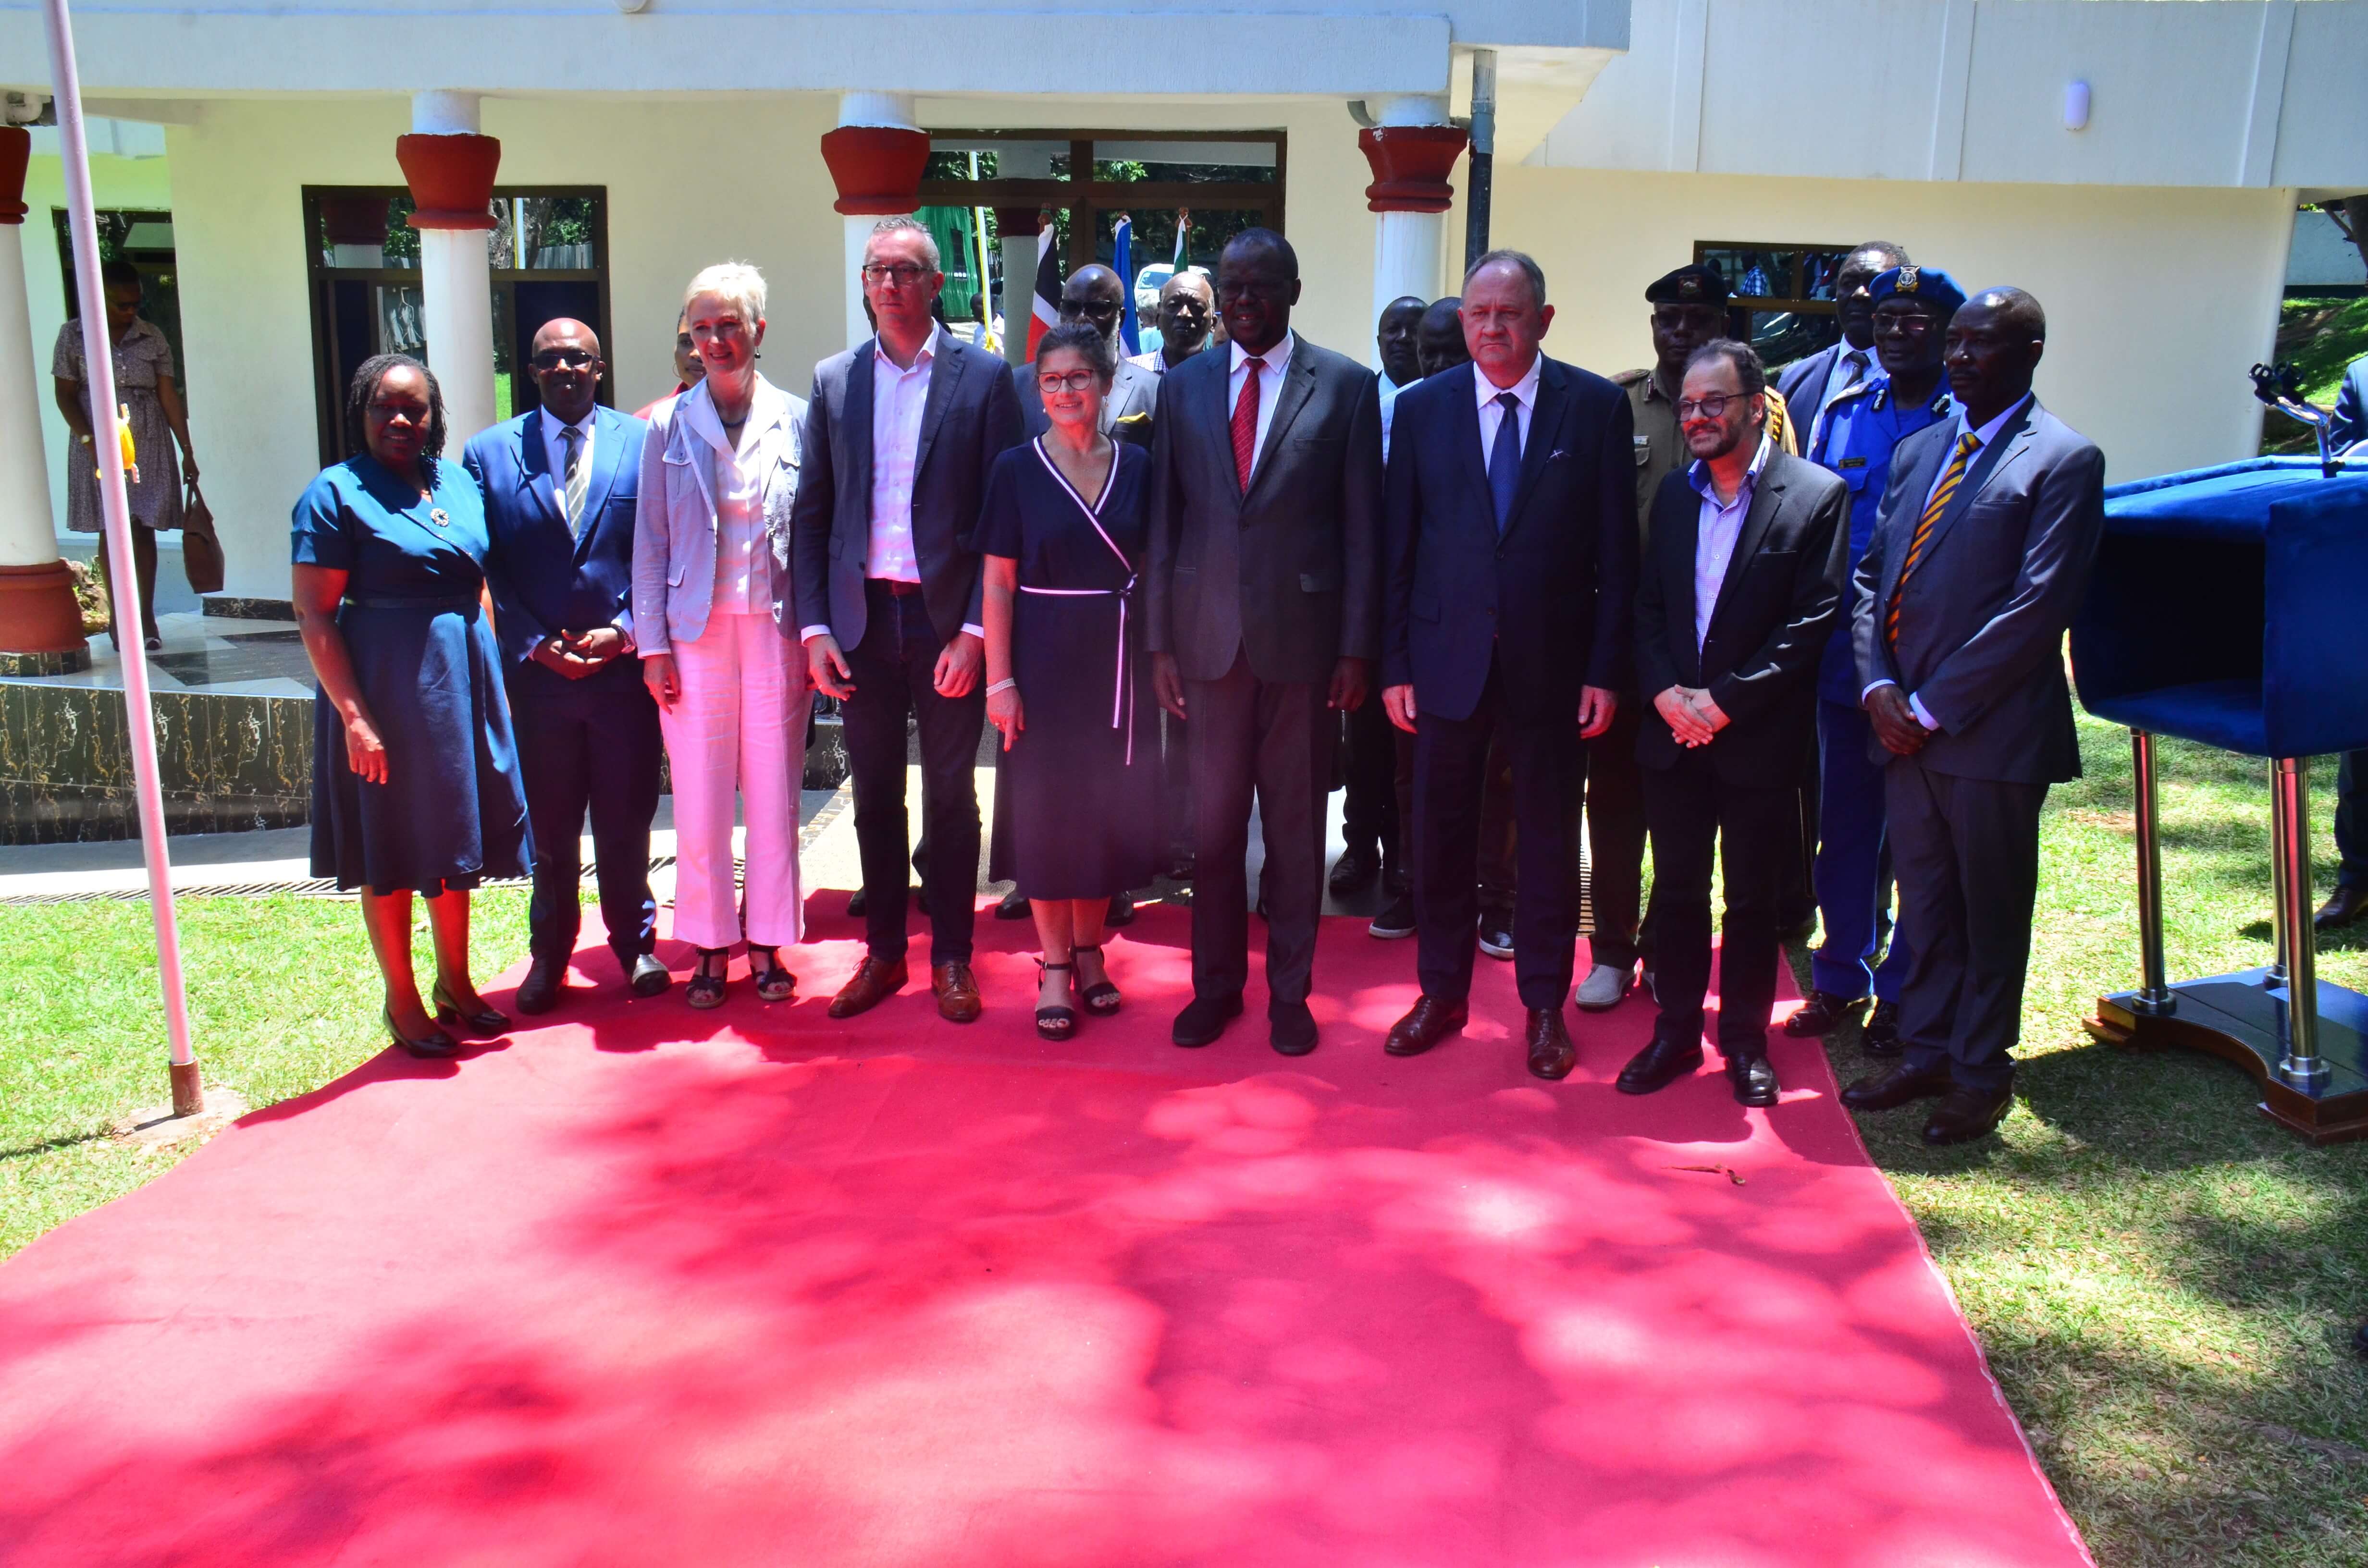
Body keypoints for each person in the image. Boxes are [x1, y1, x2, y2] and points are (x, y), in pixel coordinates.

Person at [1840, 287, 2105, 1145]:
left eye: (1978, 345)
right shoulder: (1921, 450)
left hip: (1987, 737)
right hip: (1901, 732)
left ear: (2028, 350)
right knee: (1924, 903)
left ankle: (1980, 1070)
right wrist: (1877, 688)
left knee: (1988, 908)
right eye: (1953, 343)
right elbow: (1869, 580)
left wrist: (1929, 703)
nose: (1956, 358)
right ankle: (1924, 1048)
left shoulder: (2062, 459)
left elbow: (2037, 607)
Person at [1379, 251, 1636, 1080]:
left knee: (1550, 842)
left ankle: (1542, 1008)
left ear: (1543, 319)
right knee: (1441, 833)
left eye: (1509, 314)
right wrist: (1394, 663)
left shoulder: (1592, 407)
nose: (1491, 328)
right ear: (1462, 322)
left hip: (1552, 668)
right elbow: (1399, 547)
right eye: (1478, 314)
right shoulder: (1422, 410)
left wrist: (1603, 666)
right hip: (1444, 661)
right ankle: (1440, 992)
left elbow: (1614, 554)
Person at [1146, 227, 1383, 1057]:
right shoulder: (1186, 387)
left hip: (1305, 651)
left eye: (1260, 287)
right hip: (1206, 648)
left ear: (1292, 290)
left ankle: (1290, 992)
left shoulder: (1347, 387)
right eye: (1232, 287)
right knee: (1211, 830)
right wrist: (1159, 646)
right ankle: (1215, 987)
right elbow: (1165, 523)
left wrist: (1357, 648)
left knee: (1291, 832)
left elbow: (1363, 529)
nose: (1244, 300)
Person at [793, 217, 1024, 1024]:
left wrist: (973, 631)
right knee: (874, 796)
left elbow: (1003, 515)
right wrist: (814, 627)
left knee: (952, 796)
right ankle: (886, 952)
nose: (887, 283)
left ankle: (954, 957)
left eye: (904, 270)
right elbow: (813, 513)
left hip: (942, 624)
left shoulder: (984, 378)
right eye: (875, 270)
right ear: (864, 285)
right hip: (861, 622)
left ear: (935, 284)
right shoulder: (834, 380)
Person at [1614, 340, 1850, 1105]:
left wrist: (1725, 702)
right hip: (1674, 734)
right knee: (1677, 889)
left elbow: (1812, 622)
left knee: (1751, 899)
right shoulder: (1677, 497)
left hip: (1756, 738)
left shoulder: (1816, 496)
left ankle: (1744, 1042)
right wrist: (1665, 696)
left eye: (1713, 403)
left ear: (1755, 405)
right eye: (1687, 404)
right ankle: (1677, 1033)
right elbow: (1648, 606)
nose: (1697, 417)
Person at [291, 354, 529, 1058]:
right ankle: (402, 997)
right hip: (385, 683)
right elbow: (314, 613)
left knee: (456, 837)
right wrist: (355, 718)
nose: (400, 420)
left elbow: (477, 577)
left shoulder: (454, 480)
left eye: (415, 408)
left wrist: (491, 678)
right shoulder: (333, 494)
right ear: (361, 412)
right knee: (391, 842)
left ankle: (456, 979)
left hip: (459, 680)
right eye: (384, 407)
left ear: (435, 416)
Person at [1591, 263, 1798, 1011]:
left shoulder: (1763, 412)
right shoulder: (1616, 405)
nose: (1680, 333)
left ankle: (1663, 951)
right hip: (1633, 649)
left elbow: (1781, 515)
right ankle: (1611, 949)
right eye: (1668, 322)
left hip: (1720, 656)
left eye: (1696, 321)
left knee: (1701, 829)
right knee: (1616, 806)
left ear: (1721, 330)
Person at [1785, 265, 1965, 1052]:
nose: (1895, 331)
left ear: (1947, 333)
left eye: (1914, 321)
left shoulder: (1963, 425)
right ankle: (1838, 975)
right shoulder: (1844, 414)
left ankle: (1903, 988)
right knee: (1844, 830)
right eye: (1886, 318)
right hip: (1840, 663)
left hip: (1924, 667)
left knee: (1916, 839)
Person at [467, 318, 667, 1013]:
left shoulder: (644, 445)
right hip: (539, 683)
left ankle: (634, 946)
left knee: (626, 821)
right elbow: (485, 562)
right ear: (532, 370)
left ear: (599, 367)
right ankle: (549, 956)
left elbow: (664, 550)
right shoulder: (488, 454)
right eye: (548, 360)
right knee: (551, 832)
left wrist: (627, 632)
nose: (564, 370)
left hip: (621, 679)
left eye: (576, 359)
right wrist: (530, 641)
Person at [632, 264, 810, 1010]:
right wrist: (651, 647)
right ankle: (708, 944)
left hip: (775, 632)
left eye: (728, 326)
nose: (714, 340)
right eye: (700, 328)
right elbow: (650, 540)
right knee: (701, 798)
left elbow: (817, 530)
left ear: (758, 332)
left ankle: (768, 941)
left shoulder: (799, 417)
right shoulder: (667, 424)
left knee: (773, 793)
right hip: (694, 635)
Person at [980, 322, 1159, 1038]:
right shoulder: (1015, 470)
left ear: (1107, 382)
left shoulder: (1141, 466)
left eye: (1077, 378)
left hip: (1119, 661)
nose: (1063, 391)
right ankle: (1054, 963)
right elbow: (996, 583)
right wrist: (1000, 681)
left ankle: (1091, 952)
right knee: (1049, 818)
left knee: (1104, 816)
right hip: (1043, 661)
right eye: (1050, 380)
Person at [1332, 294, 1431, 904]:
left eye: (1411, 330)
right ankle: (1359, 845)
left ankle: (1403, 853)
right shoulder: (1353, 400)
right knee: (1363, 736)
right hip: (1364, 598)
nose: (1399, 339)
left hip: (1425, 600)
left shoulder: (1443, 406)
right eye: (1389, 329)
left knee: (1411, 742)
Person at [52, 259, 197, 652]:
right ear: (101, 299)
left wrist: (187, 449)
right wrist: (90, 442)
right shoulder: (73, 335)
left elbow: (169, 394)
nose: (131, 310)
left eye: (136, 303)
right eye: (122, 304)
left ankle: (146, 617)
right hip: (95, 435)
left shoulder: (152, 336)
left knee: (143, 525)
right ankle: (121, 618)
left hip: (147, 436)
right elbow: (65, 395)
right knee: (111, 526)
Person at [1776, 242, 1909, 448]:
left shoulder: (1919, 382)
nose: (1859, 293)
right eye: (1848, 283)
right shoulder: (1796, 379)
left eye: (1874, 284)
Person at [1019, 265, 1158, 444]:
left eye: (1098, 309)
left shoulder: (1153, 391)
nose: (1082, 318)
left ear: (1121, 318)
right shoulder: (1019, 384)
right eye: (1071, 307)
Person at [1129, 270, 1216, 376]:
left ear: (1213, 323)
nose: (1184, 314)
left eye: (1196, 308)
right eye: (1173, 306)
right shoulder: (1129, 374)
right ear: (1158, 318)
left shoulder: (1224, 379)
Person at [631, 309, 706, 420]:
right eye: (686, 342)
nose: (696, 354)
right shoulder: (648, 420)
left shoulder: (740, 419)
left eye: (705, 343)